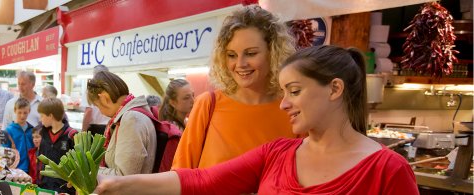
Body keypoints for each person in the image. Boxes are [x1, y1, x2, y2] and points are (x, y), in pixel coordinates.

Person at [93, 45, 419, 195]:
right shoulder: (276, 154)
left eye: (294, 91)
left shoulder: (387, 171)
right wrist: (120, 185)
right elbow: (201, 181)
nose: (284, 104)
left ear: (334, 89)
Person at [172, 5, 298, 169]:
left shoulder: (293, 110)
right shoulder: (208, 105)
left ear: (273, 52)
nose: (240, 64)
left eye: (251, 53)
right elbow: (181, 175)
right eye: (231, 55)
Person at [87, 71, 156, 176]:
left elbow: (123, 176)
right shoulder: (130, 116)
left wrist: (86, 173)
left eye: (97, 106)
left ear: (104, 98)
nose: (100, 111)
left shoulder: (131, 119)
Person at [36, 98, 77, 194]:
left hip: (64, 189)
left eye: (42, 116)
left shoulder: (71, 135)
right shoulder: (43, 133)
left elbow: (77, 165)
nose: (40, 119)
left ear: (50, 115)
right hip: (45, 186)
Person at [1, 98, 34, 173]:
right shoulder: (8, 131)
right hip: (16, 169)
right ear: (15, 111)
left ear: (29, 111)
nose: (22, 116)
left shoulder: (32, 130)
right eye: (19, 112)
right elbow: (4, 152)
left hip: (32, 169)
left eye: (25, 113)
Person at [82, 65, 111, 135]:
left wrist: (83, 131)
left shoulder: (91, 89)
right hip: (110, 126)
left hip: (95, 128)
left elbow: (88, 111)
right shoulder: (111, 89)